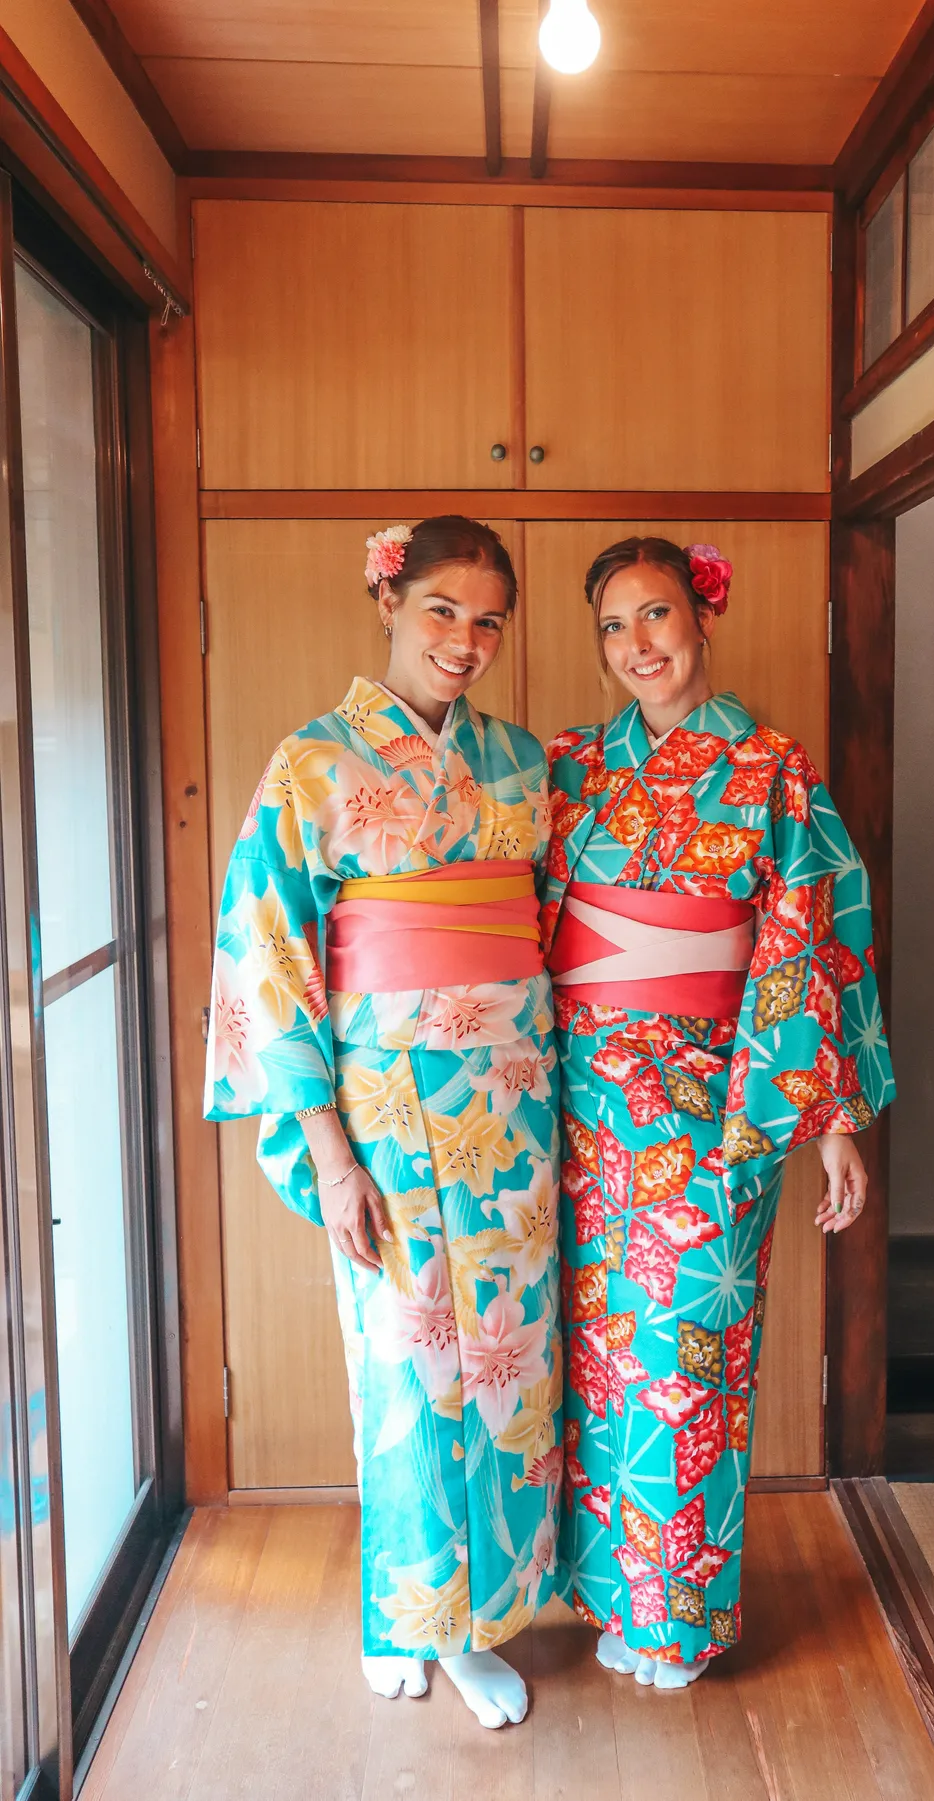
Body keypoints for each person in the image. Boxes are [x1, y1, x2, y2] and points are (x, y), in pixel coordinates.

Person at [203, 517, 560, 1730]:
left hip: (514, 1102)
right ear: (389, 601)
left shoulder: (520, 763)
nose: (466, 640)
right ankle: (404, 1609)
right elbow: (270, 949)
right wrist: (324, 1146)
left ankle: (481, 1622)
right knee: (408, 1363)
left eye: (489, 619)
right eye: (443, 610)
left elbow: (554, 927)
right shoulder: (314, 763)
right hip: (386, 1108)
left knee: (508, 1355)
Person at [541, 537, 894, 1689]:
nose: (637, 646)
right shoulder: (572, 767)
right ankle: (610, 1597)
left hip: (715, 1103)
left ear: (704, 617)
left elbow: (810, 944)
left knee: (690, 1360)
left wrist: (829, 1113)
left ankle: (678, 1621)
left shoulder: (773, 768)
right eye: (613, 627)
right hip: (585, 1103)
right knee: (599, 1361)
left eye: (656, 617)